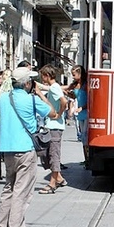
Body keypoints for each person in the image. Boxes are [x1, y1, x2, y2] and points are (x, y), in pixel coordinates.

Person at [0, 67, 57, 227]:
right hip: (25, 149)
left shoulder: (4, 98)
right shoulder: (32, 100)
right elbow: (53, 112)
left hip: (7, 150)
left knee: (8, 188)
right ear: (27, 83)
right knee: (21, 191)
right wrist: (40, 94)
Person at [38, 64, 68, 194]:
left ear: (47, 75)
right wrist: (40, 94)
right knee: (47, 153)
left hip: (55, 126)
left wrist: (60, 113)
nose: (41, 79)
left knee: (53, 154)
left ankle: (52, 183)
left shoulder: (55, 87)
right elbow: (49, 104)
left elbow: (64, 102)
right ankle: (59, 178)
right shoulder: (53, 87)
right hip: (51, 125)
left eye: (42, 76)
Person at [66, 65, 88, 164]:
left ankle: (88, 159)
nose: (73, 77)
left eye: (74, 75)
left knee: (86, 136)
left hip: (85, 112)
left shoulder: (86, 85)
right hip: (79, 113)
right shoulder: (75, 85)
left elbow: (91, 100)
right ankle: (85, 159)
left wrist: (81, 108)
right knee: (82, 137)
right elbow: (69, 91)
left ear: (80, 74)